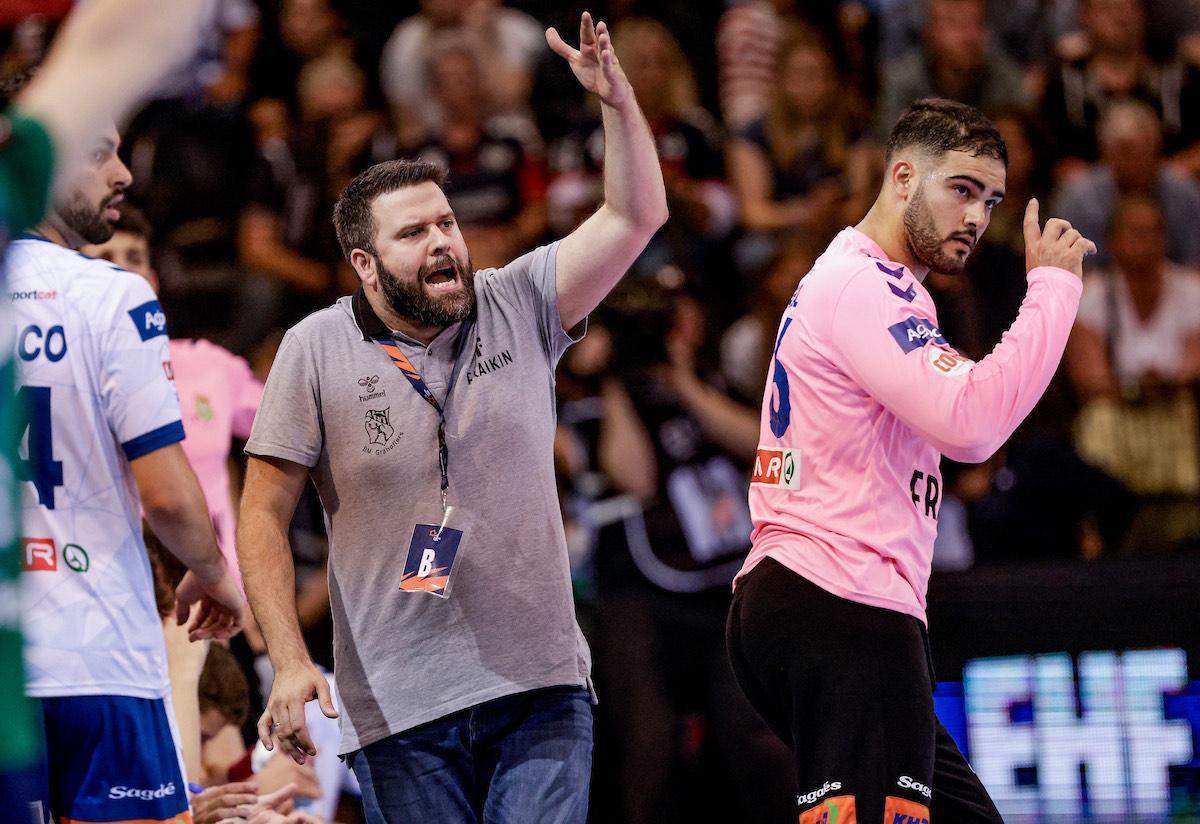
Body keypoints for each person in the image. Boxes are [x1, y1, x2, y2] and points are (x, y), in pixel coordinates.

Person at [237, 11, 666, 823]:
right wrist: (289, 660)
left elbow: (635, 217)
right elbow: (260, 513)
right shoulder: (314, 348)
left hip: (539, 685)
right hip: (397, 706)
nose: (443, 243)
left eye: (448, 224)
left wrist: (618, 104)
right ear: (364, 264)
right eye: (413, 234)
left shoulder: (520, 301)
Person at [725, 98, 1095, 823]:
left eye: (990, 199)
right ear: (901, 178)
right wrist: (1053, 288)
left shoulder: (878, 292)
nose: (977, 217)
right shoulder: (868, 286)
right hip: (841, 600)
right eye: (960, 188)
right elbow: (973, 424)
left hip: (822, 599)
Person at [6, 113, 242, 824]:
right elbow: (167, 494)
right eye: (99, 154)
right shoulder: (113, 295)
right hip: (92, 655)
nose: (125, 175)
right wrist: (209, 567)